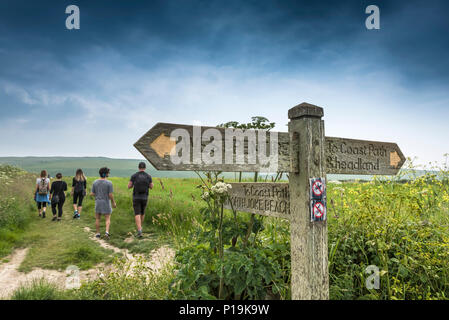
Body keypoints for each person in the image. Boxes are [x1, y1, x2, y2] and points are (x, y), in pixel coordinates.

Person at [128, 162, 153, 238]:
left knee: (137, 213)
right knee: (142, 213)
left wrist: (132, 185)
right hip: (145, 197)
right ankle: (140, 228)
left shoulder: (134, 176)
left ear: (138, 167)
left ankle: (139, 230)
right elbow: (151, 186)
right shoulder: (148, 176)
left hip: (136, 197)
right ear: (145, 168)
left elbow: (129, 186)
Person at [91, 167, 116, 239]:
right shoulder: (109, 183)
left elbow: (92, 194)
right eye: (108, 173)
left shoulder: (95, 182)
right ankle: (107, 232)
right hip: (106, 202)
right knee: (107, 218)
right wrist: (113, 202)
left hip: (98, 202)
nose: (109, 174)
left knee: (97, 218)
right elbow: (110, 195)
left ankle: (98, 233)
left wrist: (98, 195)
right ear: (106, 174)